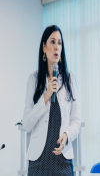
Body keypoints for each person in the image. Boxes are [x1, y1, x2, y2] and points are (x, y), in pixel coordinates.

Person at [22, 25, 81, 176]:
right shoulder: (34, 80)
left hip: (62, 159)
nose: (56, 47)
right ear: (44, 47)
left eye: (60, 43)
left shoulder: (69, 79)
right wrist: (46, 97)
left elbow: (76, 120)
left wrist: (67, 136)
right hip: (38, 161)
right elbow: (27, 124)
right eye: (52, 42)